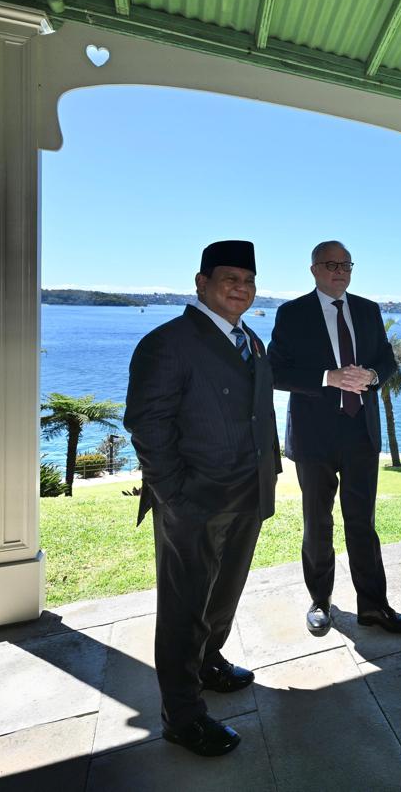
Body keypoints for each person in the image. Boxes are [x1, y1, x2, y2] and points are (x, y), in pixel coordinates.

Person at [124, 240, 280, 757]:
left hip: (247, 493)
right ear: (201, 283)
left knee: (224, 592)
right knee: (183, 608)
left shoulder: (250, 340)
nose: (241, 289)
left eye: (248, 281)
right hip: (194, 501)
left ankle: (209, 663)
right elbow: (147, 424)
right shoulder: (167, 342)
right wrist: (175, 496)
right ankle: (182, 715)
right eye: (230, 278)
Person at [269, 240, 401, 637]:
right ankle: (320, 601)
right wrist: (326, 377)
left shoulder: (368, 310)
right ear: (314, 269)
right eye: (331, 265)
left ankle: (373, 606)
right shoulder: (292, 313)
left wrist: (372, 377)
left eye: (346, 265)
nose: (340, 272)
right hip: (314, 435)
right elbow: (275, 372)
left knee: (362, 523)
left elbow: (386, 359)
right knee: (317, 522)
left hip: (360, 432)